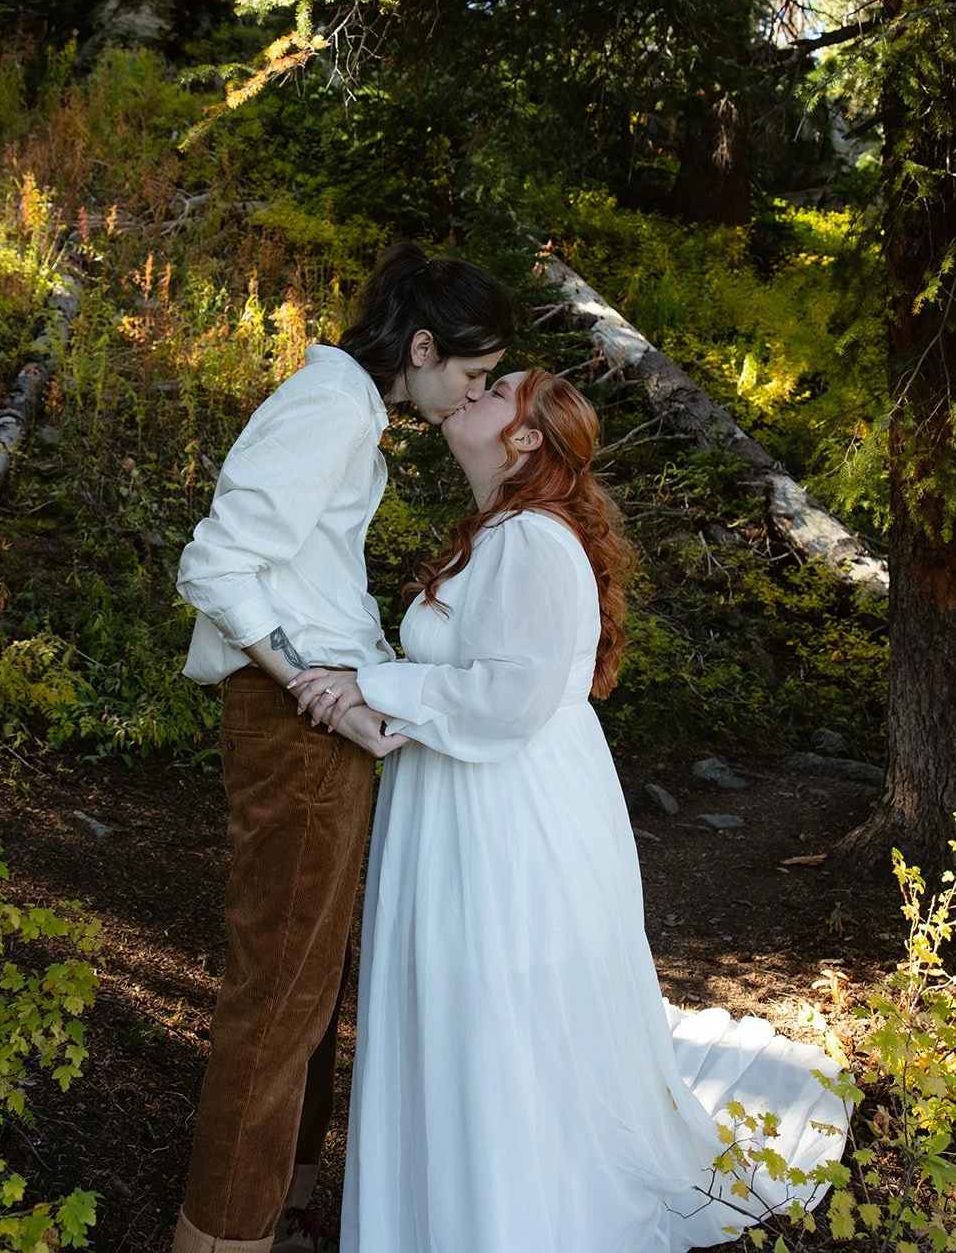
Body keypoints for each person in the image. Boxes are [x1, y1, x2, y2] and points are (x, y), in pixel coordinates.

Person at [289, 368, 851, 1253]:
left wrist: (371, 680)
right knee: (467, 1001)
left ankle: (508, 1213)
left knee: (492, 996)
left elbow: (510, 696)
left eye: (495, 390)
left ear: (524, 440)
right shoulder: (495, 533)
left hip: (508, 812)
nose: (472, 389)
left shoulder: (532, 540)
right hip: (469, 795)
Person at [171, 244, 515, 1253]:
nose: (471, 397)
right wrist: (319, 694)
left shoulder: (354, 416)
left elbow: (307, 579)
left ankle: (285, 1202)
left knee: (310, 989)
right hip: (293, 726)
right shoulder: (327, 404)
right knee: (278, 996)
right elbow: (217, 562)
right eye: (471, 373)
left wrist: (361, 681)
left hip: (320, 717)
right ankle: (220, 1235)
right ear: (419, 346)